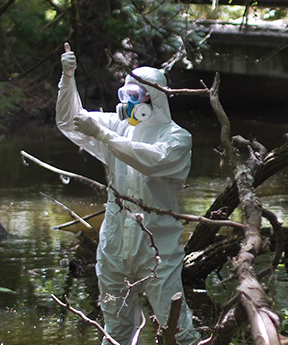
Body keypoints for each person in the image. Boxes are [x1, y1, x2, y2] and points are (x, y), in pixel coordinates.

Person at [56, 50, 200, 345]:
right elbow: (69, 121)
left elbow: (151, 160)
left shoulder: (177, 138)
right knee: (116, 326)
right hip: (114, 242)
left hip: (156, 247)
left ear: (153, 98)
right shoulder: (120, 126)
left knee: (176, 326)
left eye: (135, 94)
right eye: (125, 92)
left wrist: (103, 135)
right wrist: (67, 80)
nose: (127, 102)